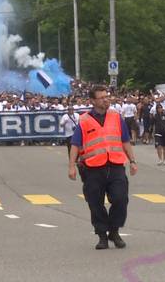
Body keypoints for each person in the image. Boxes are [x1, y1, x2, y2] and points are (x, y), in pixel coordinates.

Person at [68, 85, 138, 250]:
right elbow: (75, 145)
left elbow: (125, 141)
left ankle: (114, 231)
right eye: (102, 97)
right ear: (93, 101)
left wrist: (133, 161)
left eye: (107, 96)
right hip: (93, 168)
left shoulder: (116, 117)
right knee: (95, 202)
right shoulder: (84, 120)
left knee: (121, 199)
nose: (106, 99)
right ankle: (102, 235)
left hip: (115, 165)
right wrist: (71, 166)